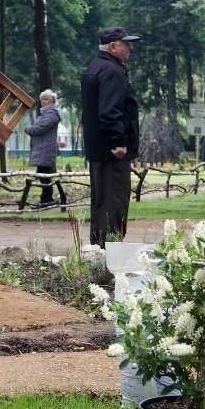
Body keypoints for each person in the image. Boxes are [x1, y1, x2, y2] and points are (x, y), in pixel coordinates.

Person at [80, 27, 141, 248]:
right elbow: (109, 111)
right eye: (125, 43)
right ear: (113, 46)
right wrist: (120, 141)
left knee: (101, 202)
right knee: (114, 203)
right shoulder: (112, 71)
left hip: (98, 149)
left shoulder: (94, 68)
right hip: (112, 151)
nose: (130, 48)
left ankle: (98, 251)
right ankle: (112, 254)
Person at [24, 90, 61, 207]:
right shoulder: (44, 114)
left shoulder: (51, 114)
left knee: (45, 176)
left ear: (52, 102)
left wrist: (28, 129)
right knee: (43, 175)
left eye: (46, 99)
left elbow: (39, 128)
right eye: (42, 99)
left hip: (45, 150)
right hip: (42, 149)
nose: (43, 101)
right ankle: (46, 199)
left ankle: (47, 200)